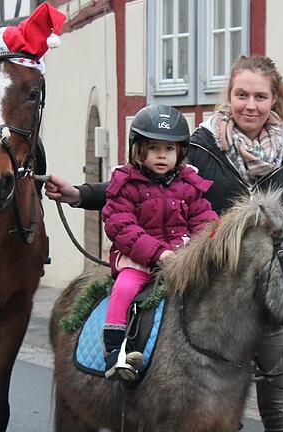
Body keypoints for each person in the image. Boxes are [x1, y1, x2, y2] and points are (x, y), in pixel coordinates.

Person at [46, 55, 283, 431]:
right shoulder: (201, 148)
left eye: (259, 97)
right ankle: (119, 356)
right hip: (209, 290)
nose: (249, 105)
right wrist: (80, 194)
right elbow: (138, 188)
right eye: (241, 95)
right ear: (230, 96)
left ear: (275, 101)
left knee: (278, 405)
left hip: (266, 300)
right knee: (187, 392)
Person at [101, 104, 219, 381]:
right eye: (154, 148)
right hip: (139, 257)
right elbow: (121, 225)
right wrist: (157, 254)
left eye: (169, 149)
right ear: (139, 150)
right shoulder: (126, 184)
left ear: (179, 152)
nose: (162, 155)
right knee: (124, 288)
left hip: (182, 256)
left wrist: (202, 248)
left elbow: (204, 218)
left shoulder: (189, 184)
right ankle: (115, 352)